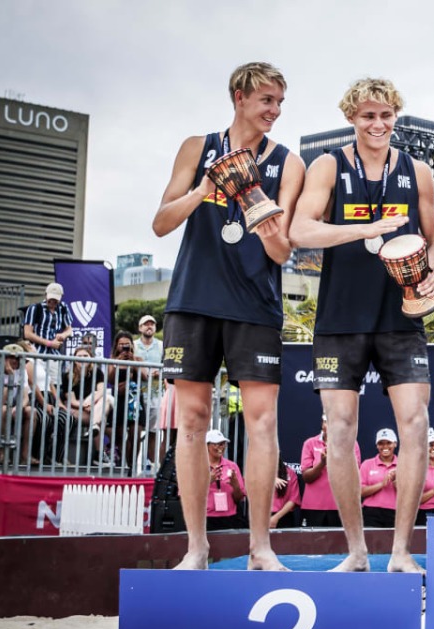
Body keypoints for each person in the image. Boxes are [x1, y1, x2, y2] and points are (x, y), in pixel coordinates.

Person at [151, 61, 303, 570]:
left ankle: (260, 547)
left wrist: (254, 201)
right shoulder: (197, 147)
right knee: (192, 421)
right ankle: (196, 547)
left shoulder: (288, 162)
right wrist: (205, 189)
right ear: (239, 96)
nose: (274, 111)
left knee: (263, 423)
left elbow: (282, 252)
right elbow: (160, 223)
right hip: (193, 300)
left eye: (279, 102)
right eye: (266, 100)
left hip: (255, 306)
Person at [290, 77, 434, 573]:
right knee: (339, 430)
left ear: (396, 115)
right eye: (368, 115)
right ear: (351, 118)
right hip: (341, 318)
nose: (378, 124)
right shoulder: (329, 165)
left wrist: (431, 274)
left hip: (400, 318)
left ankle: (400, 552)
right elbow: (300, 230)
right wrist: (365, 229)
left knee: (415, 425)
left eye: (386, 115)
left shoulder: (417, 171)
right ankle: (356, 551)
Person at [300, 415, 361, 527]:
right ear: (322, 425)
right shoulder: (310, 443)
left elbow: (353, 477)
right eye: (326, 422)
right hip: (313, 507)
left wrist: (337, 458)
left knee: (340, 539)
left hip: (341, 506)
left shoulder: (351, 444)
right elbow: (306, 478)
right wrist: (322, 463)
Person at [0, 343, 32, 466]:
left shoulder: (22, 371)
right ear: (3, 358)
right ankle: (2, 453)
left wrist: (20, 408)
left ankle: (25, 455)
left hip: (11, 406)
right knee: (4, 409)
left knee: (31, 412)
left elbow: (26, 397)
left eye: (18, 358)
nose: (15, 360)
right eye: (11, 357)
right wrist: (10, 376)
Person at [107, 331, 147, 468]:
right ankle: (123, 464)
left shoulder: (137, 359)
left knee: (135, 435)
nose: (124, 347)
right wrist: (118, 362)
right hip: (119, 400)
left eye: (127, 344)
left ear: (132, 345)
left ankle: (132, 466)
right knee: (119, 435)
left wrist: (133, 362)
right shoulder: (112, 359)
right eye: (121, 344)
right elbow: (110, 380)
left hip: (135, 401)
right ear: (116, 346)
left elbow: (145, 377)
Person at [22, 282, 72, 387]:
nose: (52, 302)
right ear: (45, 295)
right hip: (37, 354)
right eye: (50, 299)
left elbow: (69, 330)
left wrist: (63, 335)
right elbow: (27, 333)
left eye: (55, 300)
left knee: (54, 386)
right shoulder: (35, 308)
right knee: (36, 385)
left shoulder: (63, 308)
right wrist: (49, 343)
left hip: (54, 356)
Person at [134, 315, 164, 471]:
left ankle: (151, 466)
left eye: (152, 324)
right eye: (146, 324)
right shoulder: (133, 345)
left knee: (153, 431)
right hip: (136, 395)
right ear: (140, 328)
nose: (149, 327)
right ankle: (132, 466)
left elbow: (167, 366)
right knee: (135, 431)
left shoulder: (161, 345)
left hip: (156, 395)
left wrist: (160, 373)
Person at [205, 429, 246, 531]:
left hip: (229, 518)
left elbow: (239, 498)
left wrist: (235, 485)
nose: (221, 447)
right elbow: (188, 496)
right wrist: (207, 482)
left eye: (223, 444)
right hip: (205, 519)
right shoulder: (197, 466)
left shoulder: (232, 466)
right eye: (216, 444)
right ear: (206, 446)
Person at [361, 428, 401, 528]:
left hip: (396, 512)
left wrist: (396, 482)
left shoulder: (403, 465)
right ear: (377, 445)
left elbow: (409, 495)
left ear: (395, 444)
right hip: (371, 512)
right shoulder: (367, 464)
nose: (385, 446)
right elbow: (359, 492)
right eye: (381, 443)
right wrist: (382, 484)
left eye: (388, 443)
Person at [270, 457, 300, 529]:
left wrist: (276, 518)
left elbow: (293, 500)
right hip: (262, 517)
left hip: (284, 516)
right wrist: (270, 479)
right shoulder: (257, 474)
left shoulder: (289, 473)